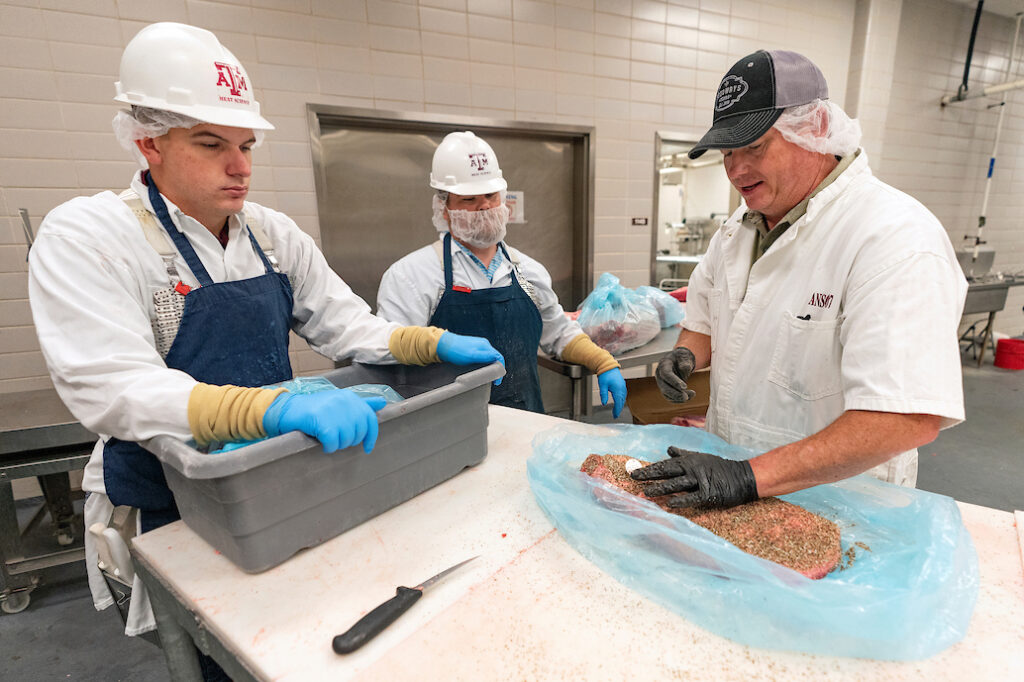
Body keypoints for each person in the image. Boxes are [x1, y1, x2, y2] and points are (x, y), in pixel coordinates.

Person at [27, 22, 502, 673]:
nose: (240, 166)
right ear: (148, 141)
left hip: (273, 485)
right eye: (210, 143)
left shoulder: (271, 236)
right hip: (171, 498)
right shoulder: (93, 235)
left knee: (290, 641)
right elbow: (111, 387)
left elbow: (347, 327)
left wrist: (431, 341)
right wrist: (265, 412)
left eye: (246, 144)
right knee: (214, 649)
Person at [631, 50, 967, 510]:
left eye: (754, 147)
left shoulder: (894, 236)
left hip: (841, 502)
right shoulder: (736, 231)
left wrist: (749, 477)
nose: (736, 171)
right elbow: (707, 317)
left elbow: (905, 416)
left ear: (816, 128)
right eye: (727, 153)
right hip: (737, 480)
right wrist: (686, 354)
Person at [377, 131, 627, 417]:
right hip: (445, 426)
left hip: (526, 417)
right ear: (444, 208)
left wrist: (602, 362)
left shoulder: (528, 271)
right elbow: (391, 354)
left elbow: (557, 333)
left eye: (490, 196)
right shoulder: (412, 275)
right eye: (469, 199)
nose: (483, 206)